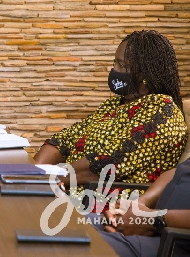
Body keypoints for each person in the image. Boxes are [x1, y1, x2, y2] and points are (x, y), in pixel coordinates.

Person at [35, 30, 187, 190]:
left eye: (122, 65)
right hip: (68, 187)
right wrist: (33, 172)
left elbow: (108, 163)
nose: (114, 70)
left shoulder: (163, 111)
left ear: (145, 73)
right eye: (115, 62)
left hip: (109, 203)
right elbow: (65, 139)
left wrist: (45, 179)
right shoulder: (115, 104)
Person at [96, 158, 190, 256]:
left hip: (176, 244)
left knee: (84, 243)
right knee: (82, 225)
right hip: (153, 225)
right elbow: (179, 171)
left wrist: (150, 220)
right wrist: (140, 204)